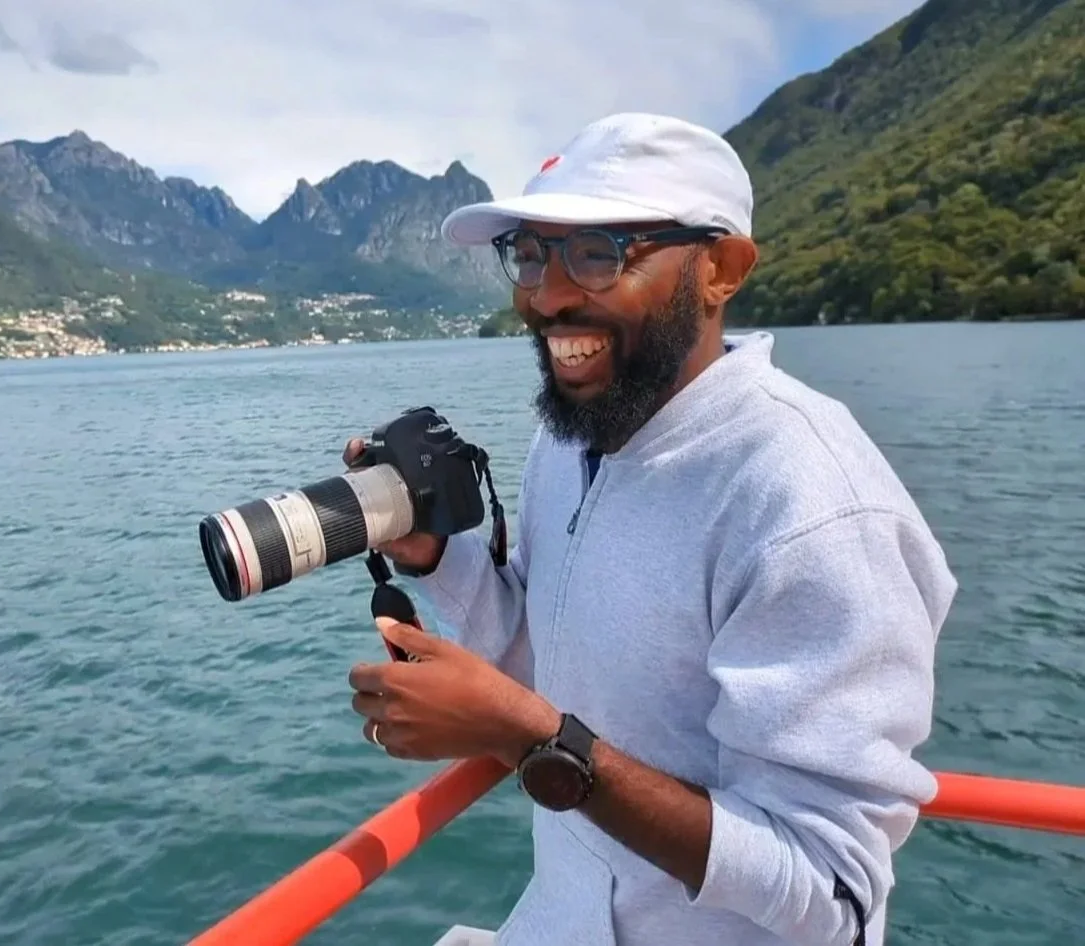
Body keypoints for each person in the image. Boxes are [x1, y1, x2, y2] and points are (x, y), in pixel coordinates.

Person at [344, 112, 957, 946]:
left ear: (721, 268)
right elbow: (544, 654)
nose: (549, 294)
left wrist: (527, 740)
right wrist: (434, 554)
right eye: (528, 254)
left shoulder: (812, 507)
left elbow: (832, 893)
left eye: (599, 252)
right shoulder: (571, 437)